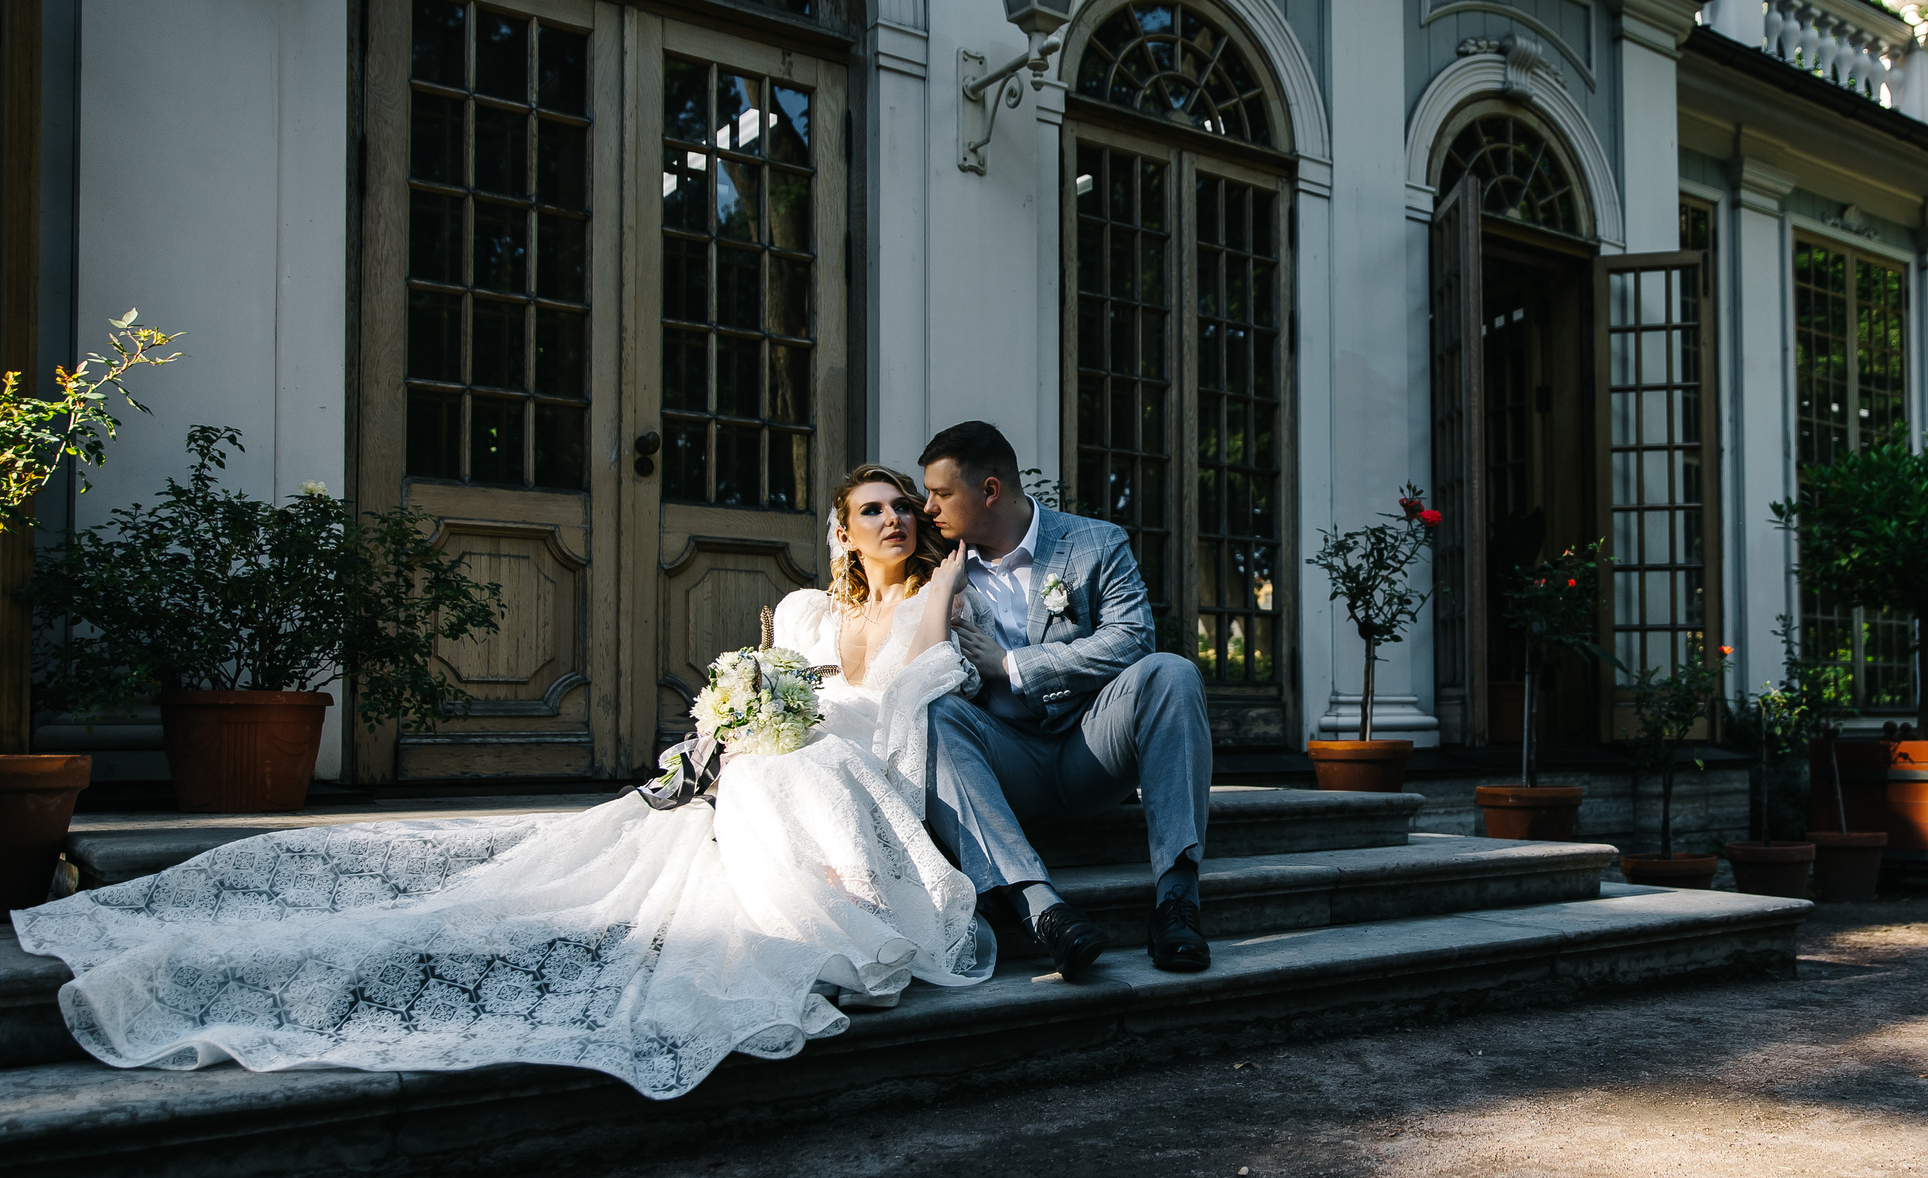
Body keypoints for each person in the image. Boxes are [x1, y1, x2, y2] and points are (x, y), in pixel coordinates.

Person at [13, 464, 996, 1101]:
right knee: (754, 778)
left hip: (865, 771)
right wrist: (730, 721)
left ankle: (848, 913)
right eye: (873, 509)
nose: (895, 520)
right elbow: (769, 689)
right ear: (841, 531)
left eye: (906, 507)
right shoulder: (803, 613)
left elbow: (950, 695)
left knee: (804, 770)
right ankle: (828, 906)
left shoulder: (940, 599)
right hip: (774, 764)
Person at [915, 421, 1214, 977]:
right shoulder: (936, 564)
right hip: (1005, 762)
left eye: (940, 492)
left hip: (1090, 749)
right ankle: (1045, 911)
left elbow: (1132, 638)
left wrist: (1011, 665)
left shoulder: (1095, 542)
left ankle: (1178, 904)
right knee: (935, 714)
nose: (927, 507)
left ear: (990, 490)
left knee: (1171, 672)